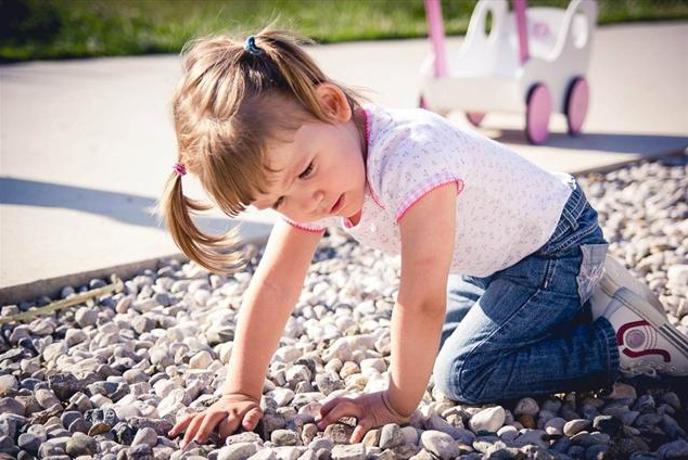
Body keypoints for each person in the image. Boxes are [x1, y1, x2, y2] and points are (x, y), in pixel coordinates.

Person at [159, 27, 688, 449]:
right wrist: (239, 390)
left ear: (332, 106)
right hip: (495, 266)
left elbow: (421, 301)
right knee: (430, 358)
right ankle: (572, 312)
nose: (306, 205)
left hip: (557, 249)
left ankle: (621, 340)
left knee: (462, 374)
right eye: (277, 202)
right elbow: (274, 285)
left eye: (304, 174)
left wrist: (395, 402)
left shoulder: (410, 159)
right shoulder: (317, 175)